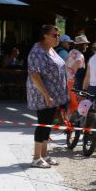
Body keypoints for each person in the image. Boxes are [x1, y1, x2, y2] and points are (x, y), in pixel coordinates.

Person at [26, 24, 69, 168]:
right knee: (43, 123)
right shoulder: (37, 51)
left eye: (58, 35)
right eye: (54, 35)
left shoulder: (51, 49)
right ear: (45, 36)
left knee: (48, 124)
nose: (58, 38)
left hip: (54, 95)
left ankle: (44, 154)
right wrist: (46, 94)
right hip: (43, 94)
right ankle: (36, 157)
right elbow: (34, 74)